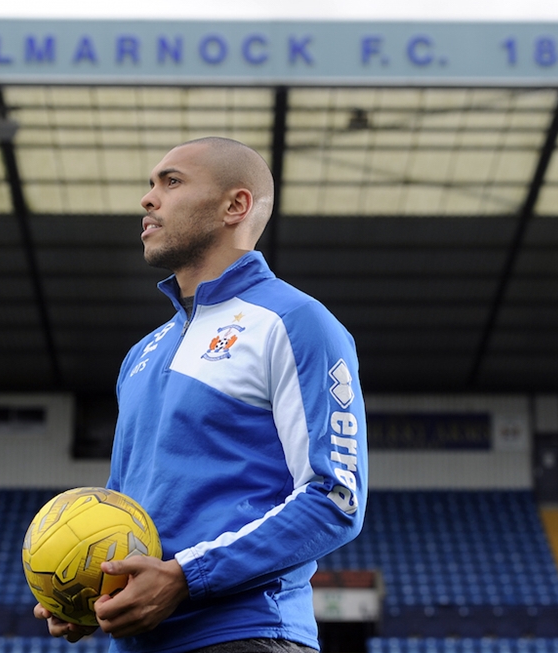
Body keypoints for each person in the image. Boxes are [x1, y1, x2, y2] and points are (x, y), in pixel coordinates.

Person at [34, 137, 368, 653]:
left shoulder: (297, 322)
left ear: (235, 205)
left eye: (171, 182)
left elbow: (336, 498)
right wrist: (86, 591)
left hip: (246, 636)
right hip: (139, 642)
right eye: (150, 185)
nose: (148, 199)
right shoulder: (141, 353)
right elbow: (122, 511)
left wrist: (186, 577)